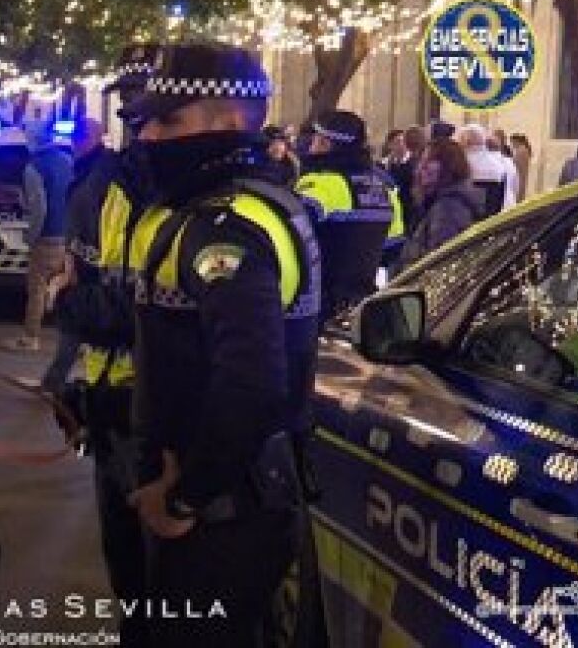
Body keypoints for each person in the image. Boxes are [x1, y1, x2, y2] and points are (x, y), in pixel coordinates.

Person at [119, 43, 322, 646]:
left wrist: (187, 497)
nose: (148, 136)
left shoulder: (225, 228)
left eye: (168, 121)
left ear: (229, 121)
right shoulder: (258, 207)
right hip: (236, 502)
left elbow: (252, 382)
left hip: (221, 514)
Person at [49, 42, 159, 647]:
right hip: (111, 403)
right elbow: (81, 285)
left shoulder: (203, 197)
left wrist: (76, 306)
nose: (135, 120)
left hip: (171, 411)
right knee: (130, 574)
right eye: (131, 106)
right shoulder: (101, 186)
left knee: (176, 585)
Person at [296, 110, 403, 316]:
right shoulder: (385, 189)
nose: (310, 147)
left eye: (315, 140)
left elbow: (293, 240)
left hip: (318, 306)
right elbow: (392, 249)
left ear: (325, 144)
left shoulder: (319, 185)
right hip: (362, 308)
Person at [5, 118, 74, 352]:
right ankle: (72, 340)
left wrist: (31, 236)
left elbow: (39, 207)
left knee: (36, 288)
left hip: (47, 236)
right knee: (65, 285)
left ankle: (30, 337)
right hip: (67, 234)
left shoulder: (33, 168)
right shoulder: (67, 161)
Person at [395, 138, 485, 273]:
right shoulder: (439, 203)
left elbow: (441, 264)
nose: (423, 166)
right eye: (423, 160)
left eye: (431, 160)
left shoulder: (449, 208)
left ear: (450, 166)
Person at [458, 123, 519, 217]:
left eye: (460, 141)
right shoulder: (502, 163)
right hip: (503, 211)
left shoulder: (464, 162)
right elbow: (515, 187)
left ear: (467, 141)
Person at [510, 133, 533, 201]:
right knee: (521, 193)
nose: (512, 145)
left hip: (520, 175)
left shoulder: (521, 150)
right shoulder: (523, 149)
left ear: (517, 141)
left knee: (519, 195)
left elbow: (517, 163)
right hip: (521, 175)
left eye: (512, 142)